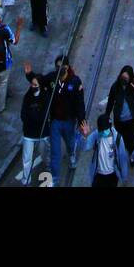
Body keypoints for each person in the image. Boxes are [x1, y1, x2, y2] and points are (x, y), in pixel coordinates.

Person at [47, 55, 87, 185]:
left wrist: (82, 121)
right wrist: (30, 75)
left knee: (70, 142)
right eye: (57, 67)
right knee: (55, 150)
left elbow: (80, 103)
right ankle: (55, 177)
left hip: (69, 120)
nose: (59, 69)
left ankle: (71, 154)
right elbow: (40, 81)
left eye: (62, 67)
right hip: (55, 121)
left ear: (67, 67)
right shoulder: (52, 78)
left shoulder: (75, 82)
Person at [20, 66, 53, 186]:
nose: (32, 87)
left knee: (45, 155)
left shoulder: (45, 97)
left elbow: (43, 116)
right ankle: (25, 180)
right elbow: (23, 114)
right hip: (28, 134)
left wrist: (31, 117)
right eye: (32, 84)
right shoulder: (27, 96)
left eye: (35, 85)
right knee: (27, 159)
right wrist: (32, 118)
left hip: (42, 133)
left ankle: (49, 167)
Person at [79, 112, 130, 187]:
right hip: (98, 175)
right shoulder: (96, 134)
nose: (102, 132)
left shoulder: (118, 138)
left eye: (104, 129)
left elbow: (122, 158)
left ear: (110, 126)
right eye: (101, 130)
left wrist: (124, 177)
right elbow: (84, 147)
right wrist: (85, 136)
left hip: (112, 176)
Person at [105, 65, 134, 160]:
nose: (124, 79)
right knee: (120, 139)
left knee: (130, 140)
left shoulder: (132, 85)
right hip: (119, 119)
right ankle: (120, 155)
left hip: (131, 119)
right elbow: (110, 102)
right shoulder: (115, 87)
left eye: (126, 78)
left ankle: (131, 155)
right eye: (122, 77)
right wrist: (107, 116)